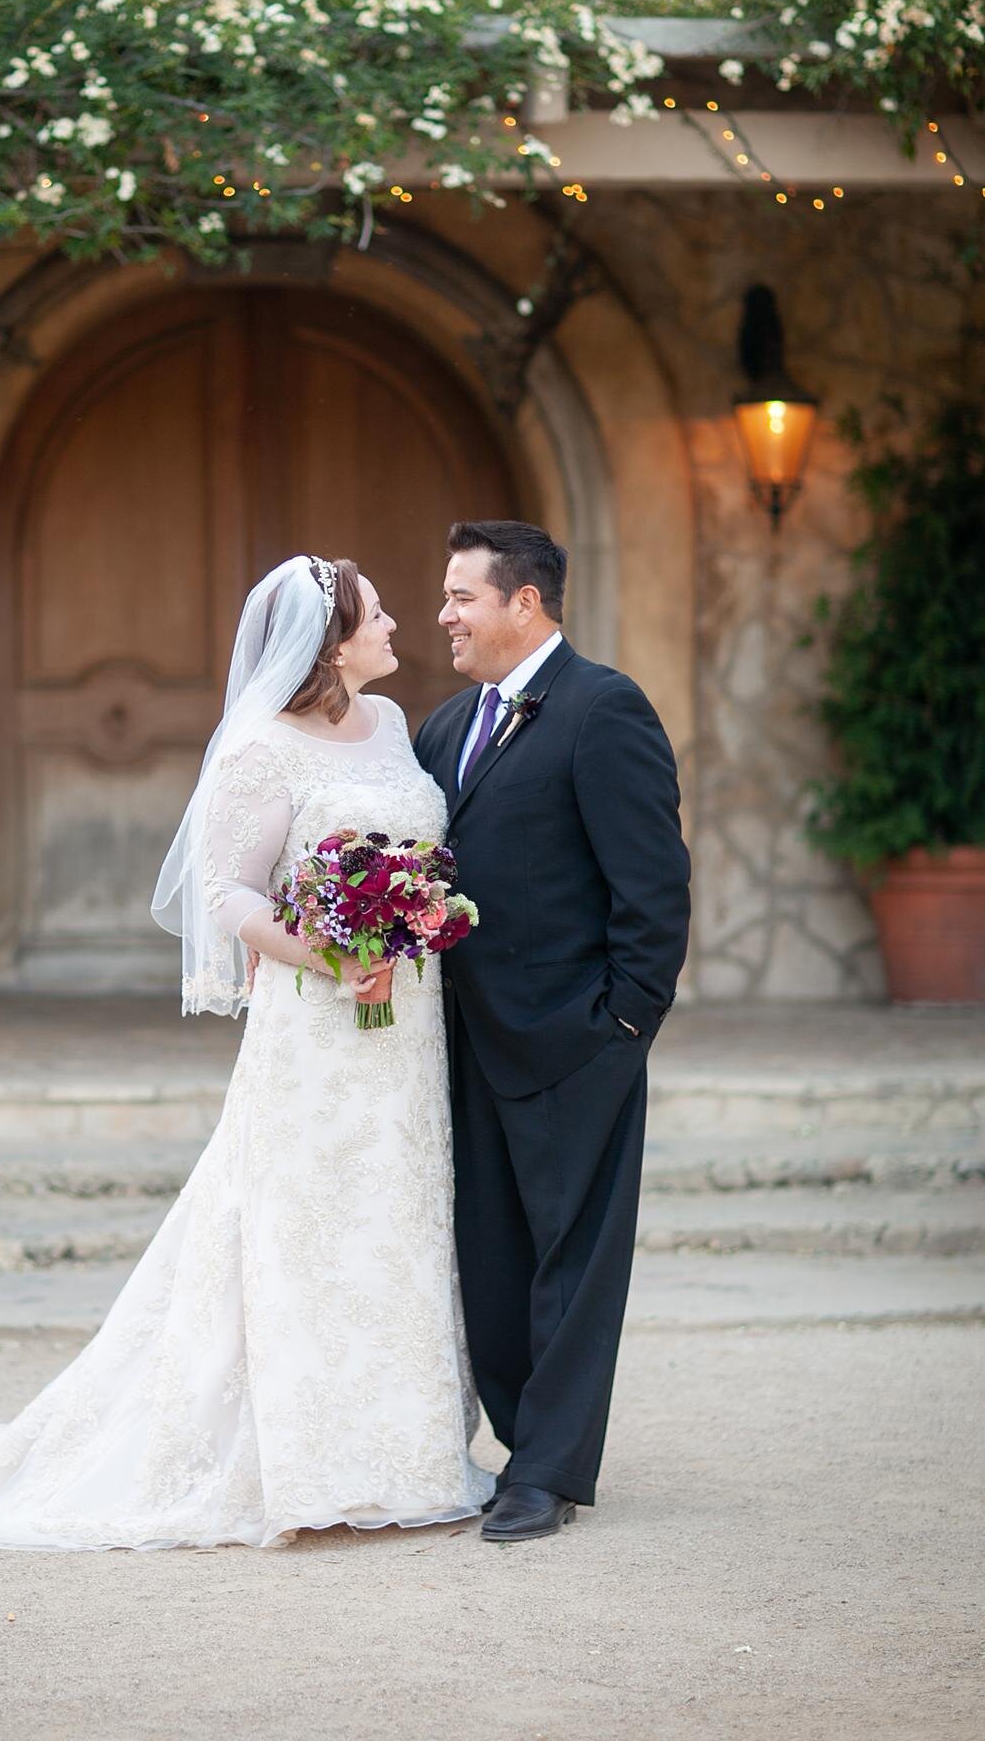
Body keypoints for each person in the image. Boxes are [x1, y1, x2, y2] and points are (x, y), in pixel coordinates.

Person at [0, 555, 491, 1551]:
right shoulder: (259, 751)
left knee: (395, 1217)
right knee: (302, 1220)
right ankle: (303, 1461)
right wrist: (334, 949)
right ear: (329, 644)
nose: (397, 621)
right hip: (318, 1027)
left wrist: (413, 917)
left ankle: (398, 1453)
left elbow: (417, 858)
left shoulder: (394, 728)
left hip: (402, 1033)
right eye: (375, 613)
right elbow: (229, 894)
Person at [415, 519, 691, 1544]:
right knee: (487, 1255)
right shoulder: (444, 727)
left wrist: (621, 1020)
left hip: (576, 1041)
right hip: (464, 1041)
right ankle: (519, 1434)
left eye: (459, 596)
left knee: (573, 1265)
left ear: (521, 602)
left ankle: (548, 1471)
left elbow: (652, 885)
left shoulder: (601, 707)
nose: (444, 613)